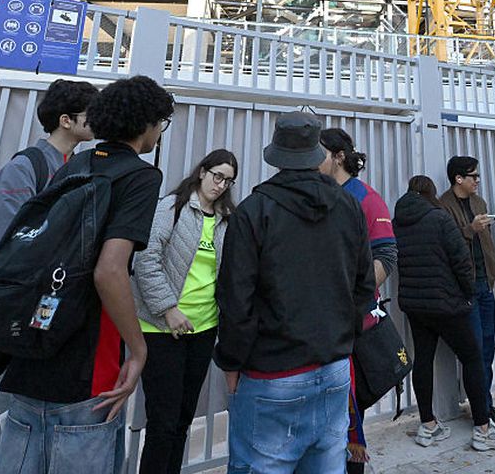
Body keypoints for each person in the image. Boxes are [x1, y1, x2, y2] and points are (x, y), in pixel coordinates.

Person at [0, 75, 173, 474]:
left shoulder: (73, 165)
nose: (160, 132)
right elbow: (110, 271)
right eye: (161, 122)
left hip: (34, 349)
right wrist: (138, 349)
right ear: (146, 123)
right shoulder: (141, 176)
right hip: (90, 365)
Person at [0, 79, 98, 474]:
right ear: (66, 120)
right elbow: (7, 249)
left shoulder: (74, 167)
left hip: (42, 319)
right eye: (89, 112)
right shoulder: (25, 167)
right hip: (9, 317)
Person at [215, 112, 375, 473]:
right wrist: (342, 337)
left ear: (276, 156)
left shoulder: (254, 212)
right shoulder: (349, 206)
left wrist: (232, 361)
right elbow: (364, 286)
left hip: (273, 375)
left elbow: (235, 299)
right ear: (317, 154)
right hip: (335, 369)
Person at [132, 149, 239, 474]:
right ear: (202, 172)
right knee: (162, 420)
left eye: (228, 181)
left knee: (182, 418)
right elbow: (145, 261)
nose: (220, 185)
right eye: (217, 175)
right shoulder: (172, 207)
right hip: (161, 330)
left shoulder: (225, 220)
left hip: (202, 328)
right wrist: (168, 309)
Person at [394, 176, 495, 451]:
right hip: (447, 304)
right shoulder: (439, 218)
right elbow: (461, 260)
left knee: (422, 360)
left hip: (415, 305)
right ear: (431, 194)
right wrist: (468, 293)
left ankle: (427, 426)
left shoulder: (398, 223)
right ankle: (483, 430)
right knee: (472, 358)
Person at [318, 128, 397, 473]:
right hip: (315, 327)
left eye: (318, 153)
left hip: (350, 325)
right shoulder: (315, 194)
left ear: (338, 156)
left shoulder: (366, 198)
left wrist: (350, 297)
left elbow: (387, 256)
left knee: (347, 417)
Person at [438, 156, 495, 430]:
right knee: (475, 350)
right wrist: (471, 229)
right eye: (473, 176)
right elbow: (447, 243)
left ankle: (486, 404)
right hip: (465, 288)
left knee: (488, 348)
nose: (478, 180)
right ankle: (480, 408)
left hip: (485, 283)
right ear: (459, 179)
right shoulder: (444, 205)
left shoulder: (479, 203)